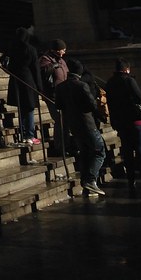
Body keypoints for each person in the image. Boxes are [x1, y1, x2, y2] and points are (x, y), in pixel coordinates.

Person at [54, 61, 106, 196]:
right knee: (99, 151)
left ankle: (85, 183)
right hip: (87, 123)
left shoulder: (61, 87)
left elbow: (59, 106)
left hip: (73, 124)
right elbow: (91, 105)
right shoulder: (82, 85)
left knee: (84, 152)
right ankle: (90, 179)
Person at [105, 58, 141, 196]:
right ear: (127, 69)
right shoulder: (129, 80)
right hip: (135, 120)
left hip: (121, 122)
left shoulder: (110, 83)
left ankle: (131, 179)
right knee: (140, 149)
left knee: (126, 150)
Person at [2, 27, 42, 147]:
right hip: (28, 80)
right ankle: (29, 135)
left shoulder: (12, 47)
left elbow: (3, 59)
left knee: (21, 108)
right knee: (29, 108)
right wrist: (39, 87)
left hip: (16, 79)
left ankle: (23, 133)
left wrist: (8, 69)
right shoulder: (31, 49)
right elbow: (35, 69)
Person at [38, 38, 69, 155]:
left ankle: (66, 145)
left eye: (65, 50)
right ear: (56, 50)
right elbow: (42, 73)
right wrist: (52, 66)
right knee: (59, 119)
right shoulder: (45, 59)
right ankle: (59, 147)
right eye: (62, 50)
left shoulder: (62, 60)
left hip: (63, 94)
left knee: (65, 121)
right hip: (52, 95)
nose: (64, 53)